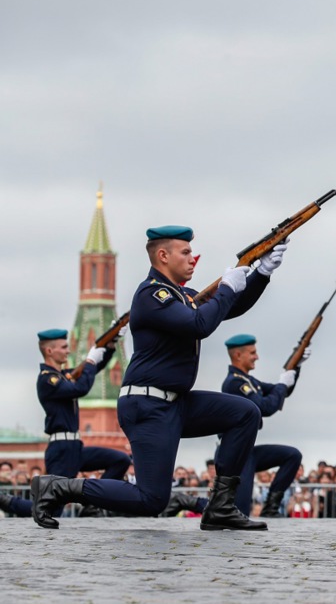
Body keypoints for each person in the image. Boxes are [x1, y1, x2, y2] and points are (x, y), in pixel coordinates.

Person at [29, 225, 286, 531]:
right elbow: (200, 324)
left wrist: (261, 273)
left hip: (176, 402)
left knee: (245, 413)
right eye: (186, 252)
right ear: (163, 256)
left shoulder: (182, 296)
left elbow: (229, 307)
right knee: (151, 498)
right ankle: (57, 487)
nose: (193, 259)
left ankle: (221, 507)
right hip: (147, 405)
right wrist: (229, 286)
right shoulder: (153, 295)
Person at [0, 330, 131, 519]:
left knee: (120, 460)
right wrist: (91, 360)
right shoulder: (47, 379)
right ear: (50, 351)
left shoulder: (63, 376)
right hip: (61, 450)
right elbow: (81, 388)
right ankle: (7, 501)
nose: (68, 351)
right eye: (64, 347)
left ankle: (93, 505)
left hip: (74, 448)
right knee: (51, 509)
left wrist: (108, 347)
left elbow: (91, 370)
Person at [219, 333, 304, 518]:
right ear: (238, 355)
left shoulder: (249, 381)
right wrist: (283, 383)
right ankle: (187, 502)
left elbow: (280, 391)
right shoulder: (235, 383)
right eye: (252, 352)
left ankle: (271, 508)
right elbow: (266, 406)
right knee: (239, 510)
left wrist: (295, 367)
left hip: (247, 451)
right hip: (234, 454)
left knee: (292, 456)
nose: (256, 356)